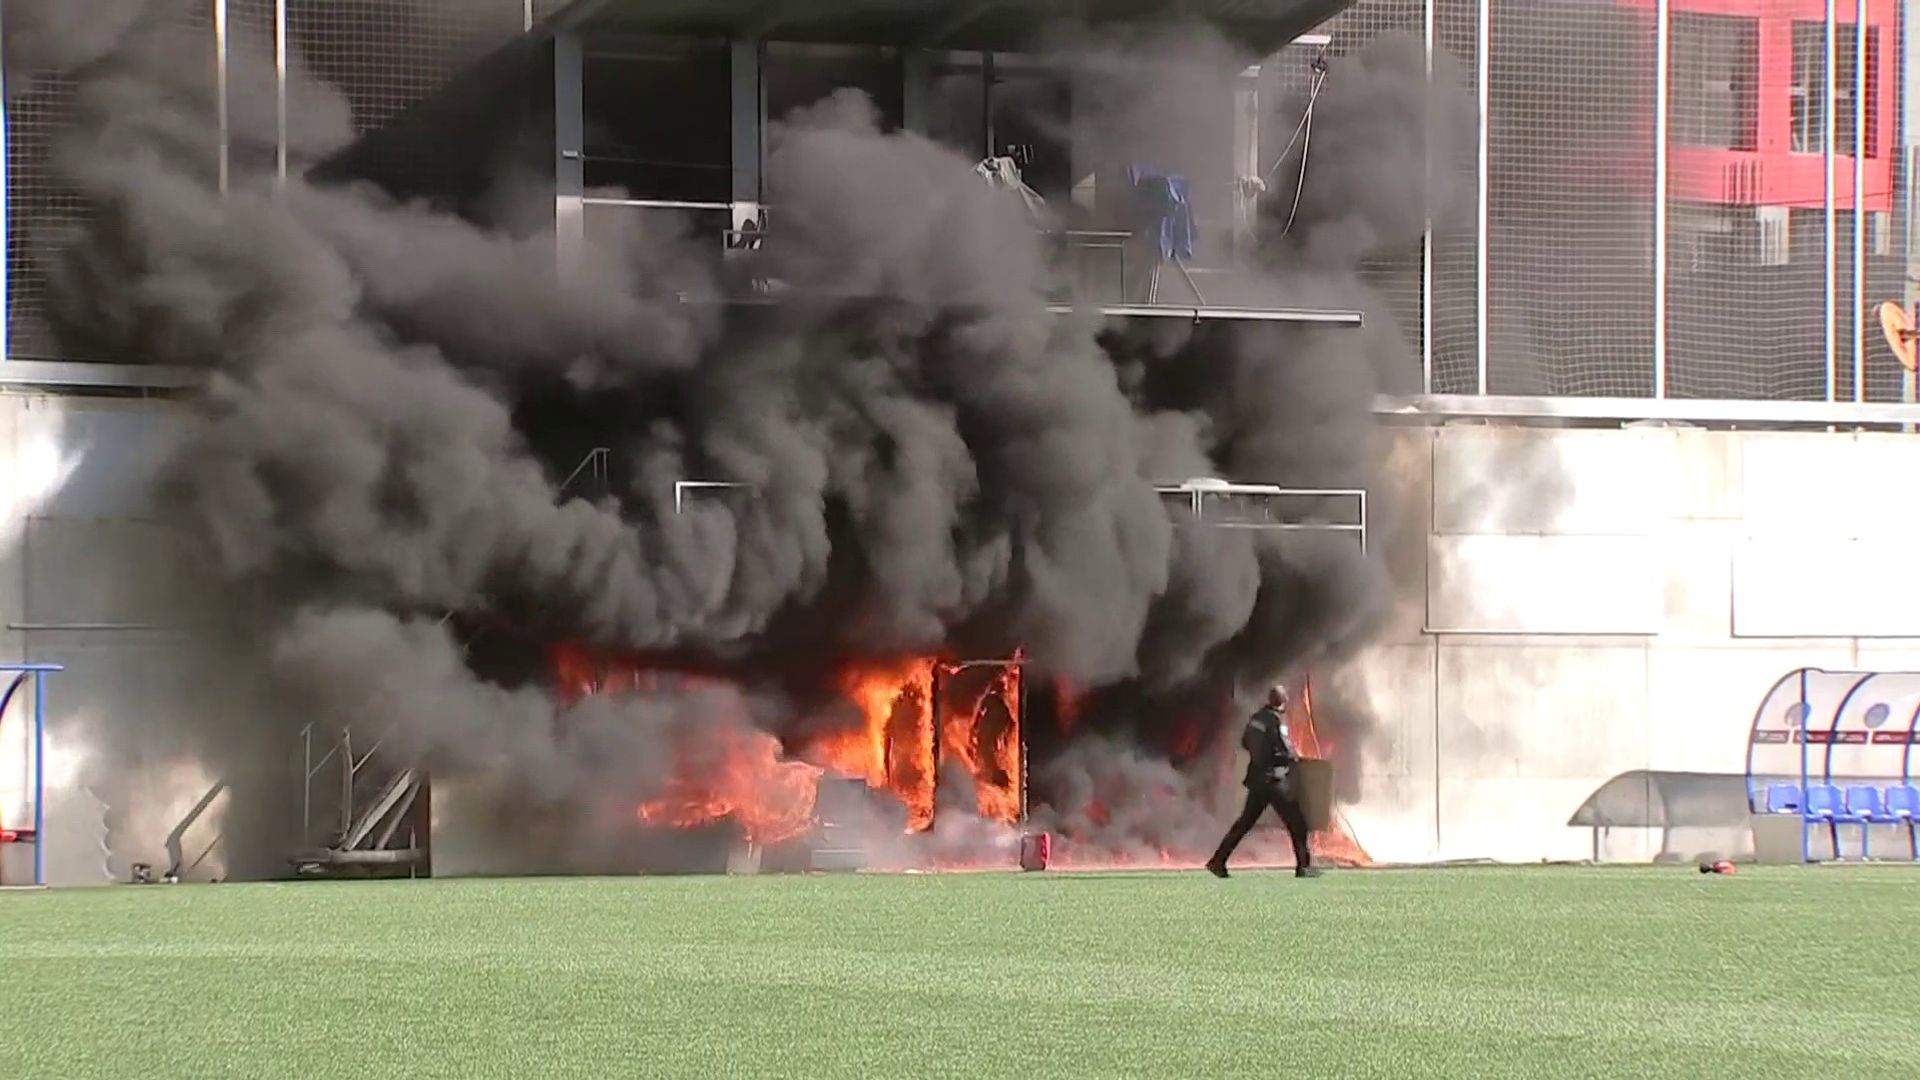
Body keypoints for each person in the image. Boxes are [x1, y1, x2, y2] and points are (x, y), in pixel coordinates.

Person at [1207, 685, 1320, 879]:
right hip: (1275, 780)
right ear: (1283, 702)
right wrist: (1295, 758)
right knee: (1297, 822)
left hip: (1257, 779)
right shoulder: (1277, 720)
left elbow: (1244, 742)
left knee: (1244, 823)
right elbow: (1285, 748)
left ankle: (1217, 861)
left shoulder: (1255, 718)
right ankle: (1304, 867)